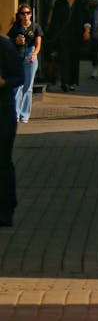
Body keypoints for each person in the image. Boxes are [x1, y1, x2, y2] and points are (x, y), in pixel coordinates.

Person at [45, 0, 91, 92]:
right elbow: (54, 21)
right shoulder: (59, 4)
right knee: (64, 58)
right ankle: (65, 81)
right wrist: (52, 35)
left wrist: (87, 31)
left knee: (74, 58)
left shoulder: (81, 4)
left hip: (76, 35)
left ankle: (72, 82)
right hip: (63, 35)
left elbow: (87, 19)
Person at [0, 34, 24, 227]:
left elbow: (19, 77)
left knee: (3, 161)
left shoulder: (5, 48)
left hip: (3, 113)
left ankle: (6, 209)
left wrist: (4, 83)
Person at [7, 5, 42, 123]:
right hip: (18, 54)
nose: (25, 15)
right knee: (18, 86)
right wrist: (15, 41)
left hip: (30, 54)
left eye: (27, 13)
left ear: (31, 14)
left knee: (28, 86)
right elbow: (9, 40)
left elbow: (38, 44)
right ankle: (15, 114)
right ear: (20, 15)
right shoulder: (16, 27)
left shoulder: (35, 26)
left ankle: (25, 114)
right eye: (23, 13)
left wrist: (34, 55)